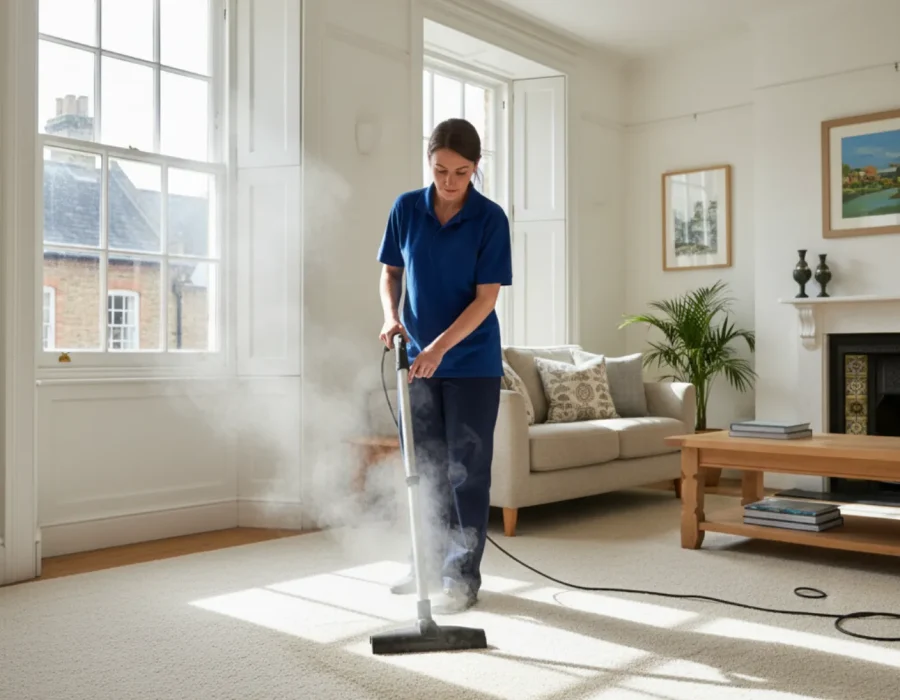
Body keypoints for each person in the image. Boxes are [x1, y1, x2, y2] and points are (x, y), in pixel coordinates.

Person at [376, 117, 512, 614]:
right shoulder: (406, 208)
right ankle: (424, 563)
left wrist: (438, 348)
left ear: (475, 167)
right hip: (415, 361)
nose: (449, 182)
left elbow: (485, 299)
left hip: (472, 364)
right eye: (440, 170)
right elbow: (391, 273)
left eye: (461, 172)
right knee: (422, 468)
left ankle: (460, 577)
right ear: (429, 162)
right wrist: (391, 316)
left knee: (465, 473)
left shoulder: (490, 218)